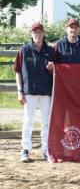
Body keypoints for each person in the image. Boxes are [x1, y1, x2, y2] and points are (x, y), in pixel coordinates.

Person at [14, 22, 54, 162]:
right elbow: (18, 71)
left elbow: (57, 72)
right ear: (32, 34)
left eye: (40, 32)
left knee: (46, 122)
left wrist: (52, 69)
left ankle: (45, 149)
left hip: (46, 92)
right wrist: (20, 91)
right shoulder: (24, 50)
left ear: (43, 33)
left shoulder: (50, 51)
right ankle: (25, 149)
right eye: (35, 32)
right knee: (28, 121)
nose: (37, 34)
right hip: (29, 92)